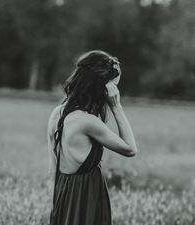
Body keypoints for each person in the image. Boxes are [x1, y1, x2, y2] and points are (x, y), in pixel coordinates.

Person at [47, 50, 138, 225]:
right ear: (101, 88)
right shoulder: (88, 122)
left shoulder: (56, 114)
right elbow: (131, 149)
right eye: (113, 88)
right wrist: (117, 106)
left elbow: (53, 170)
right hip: (87, 198)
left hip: (62, 196)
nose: (114, 93)